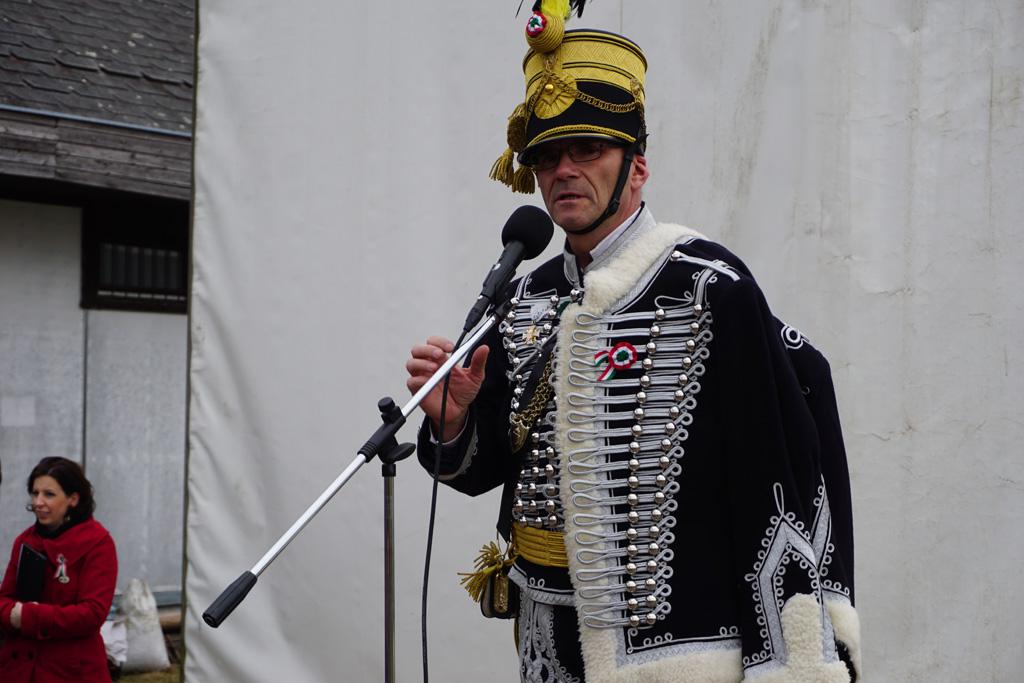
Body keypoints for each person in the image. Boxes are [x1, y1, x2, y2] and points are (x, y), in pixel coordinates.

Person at [407, 5, 861, 682]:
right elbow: (488, 470)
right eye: (548, 156)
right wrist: (453, 422)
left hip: (674, 641)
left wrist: (783, 657)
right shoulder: (524, 295)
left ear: (637, 167)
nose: (564, 170)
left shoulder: (709, 288)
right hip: (543, 634)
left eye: (588, 150)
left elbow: (770, 481)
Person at [0, 457, 118, 682]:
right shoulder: (25, 540)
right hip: (19, 668)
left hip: (71, 670)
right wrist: (10, 615)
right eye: (35, 493)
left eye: (49, 494)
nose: (38, 502)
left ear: (73, 499)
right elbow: (4, 598)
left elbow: (92, 613)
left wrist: (29, 616)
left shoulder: (97, 543)